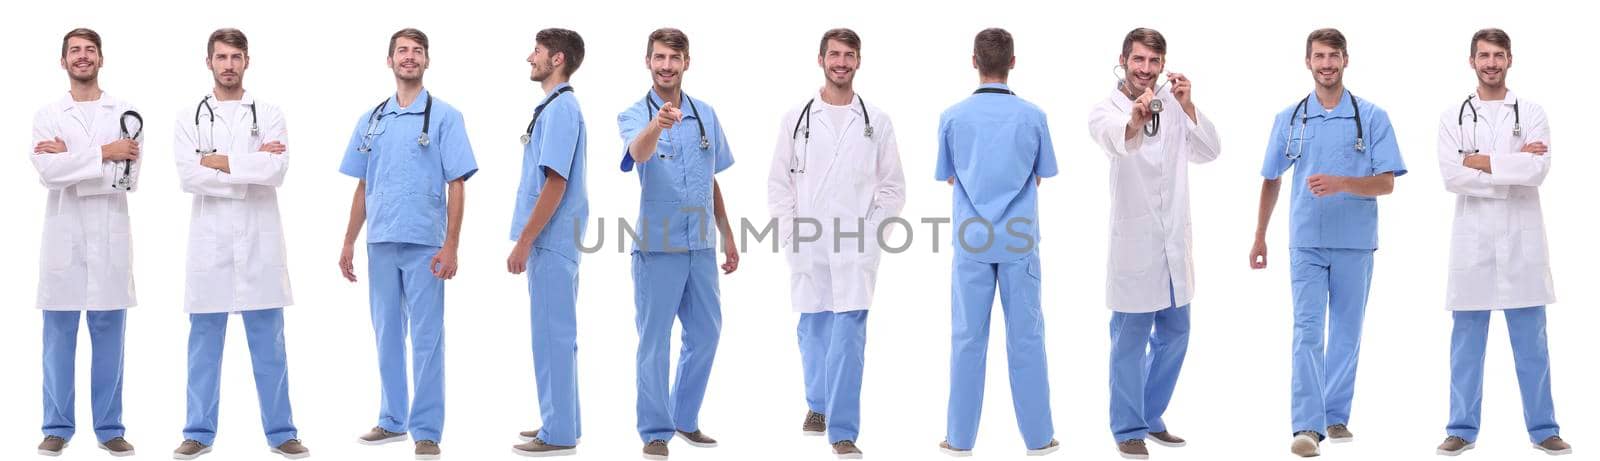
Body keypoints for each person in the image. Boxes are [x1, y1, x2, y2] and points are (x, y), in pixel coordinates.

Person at [1249, 28, 1405, 458]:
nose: (1326, 64)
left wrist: (1341, 183)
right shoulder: (1291, 118)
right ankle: (1306, 426)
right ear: (1308, 62)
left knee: (1347, 334)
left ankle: (1335, 414)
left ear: (1345, 60)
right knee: (1307, 332)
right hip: (1306, 243)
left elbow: (1387, 183)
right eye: (1319, 56)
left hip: (1355, 242)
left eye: (1333, 56)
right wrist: (1260, 235)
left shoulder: (1371, 116)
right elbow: (1270, 178)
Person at [337, 27, 477, 461]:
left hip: (424, 245)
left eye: (417, 51)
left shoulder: (445, 116)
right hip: (380, 241)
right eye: (402, 51)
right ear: (390, 60)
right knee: (386, 335)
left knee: (428, 338)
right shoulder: (373, 118)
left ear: (427, 61)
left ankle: (427, 429)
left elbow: (457, 183)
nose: (409, 57)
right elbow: (363, 185)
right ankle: (392, 419)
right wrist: (347, 242)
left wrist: (451, 245)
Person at [767, 27, 905, 460]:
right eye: (834, 55)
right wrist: (789, 232)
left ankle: (842, 431)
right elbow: (777, 183)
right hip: (808, 240)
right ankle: (818, 404)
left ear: (859, 61)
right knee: (813, 332)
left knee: (848, 339)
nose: (841, 62)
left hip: (855, 246)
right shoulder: (797, 117)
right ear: (821, 59)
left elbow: (893, 188)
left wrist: (870, 231)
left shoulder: (876, 121)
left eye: (848, 55)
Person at [169, 27, 308, 460]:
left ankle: (282, 432)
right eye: (221, 57)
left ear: (247, 61)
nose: (228, 65)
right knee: (203, 350)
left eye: (236, 57)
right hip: (209, 249)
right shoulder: (189, 115)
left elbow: (276, 171)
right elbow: (189, 176)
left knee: (270, 347)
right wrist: (248, 168)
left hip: (259, 248)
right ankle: (198, 432)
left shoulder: (268, 113)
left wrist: (220, 163)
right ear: (208, 62)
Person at [1432, 27, 1570, 457]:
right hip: (1472, 246)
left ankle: (1544, 428)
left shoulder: (1531, 111)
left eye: (1498, 55)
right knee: (1466, 350)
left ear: (1510, 60)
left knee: (1533, 346)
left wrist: (1481, 164)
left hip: (1521, 248)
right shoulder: (1453, 115)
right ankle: (1461, 428)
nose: (1491, 62)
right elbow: (1452, 176)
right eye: (1483, 55)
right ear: (1471, 61)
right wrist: (1510, 167)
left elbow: (1537, 171)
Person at [1086, 27, 1219, 460]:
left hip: (1173, 245)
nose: (1146, 70)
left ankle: (1149, 412)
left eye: (1154, 62)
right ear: (1123, 60)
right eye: (1139, 60)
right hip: (1135, 249)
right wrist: (1135, 121)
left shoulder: (1176, 106)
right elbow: (1116, 140)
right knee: (1129, 341)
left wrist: (1188, 105)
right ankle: (1127, 428)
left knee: (1178, 332)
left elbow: (1210, 151)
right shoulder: (1105, 110)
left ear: (1164, 64)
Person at [617, 27, 739, 461]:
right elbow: (638, 153)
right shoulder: (635, 114)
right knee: (654, 342)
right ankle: (654, 430)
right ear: (647, 62)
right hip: (659, 247)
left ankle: (684, 418)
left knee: (706, 333)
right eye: (659, 58)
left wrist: (727, 236)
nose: (666, 65)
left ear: (687, 62)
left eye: (674, 57)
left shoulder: (705, 114)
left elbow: (711, 178)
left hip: (702, 246)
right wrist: (657, 123)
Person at [936, 27, 1059, 458]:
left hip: (971, 241)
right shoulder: (1033, 116)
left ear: (974, 61)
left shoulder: (952, 116)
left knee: (967, 339)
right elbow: (1041, 175)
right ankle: (1040, 438)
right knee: (1026, 337)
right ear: (1012, 62)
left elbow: (949, 175)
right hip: (1018, 241)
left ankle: (959, 439)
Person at [31, 27, 141, 458]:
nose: (82, 56)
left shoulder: (126, 111)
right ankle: (56, 427)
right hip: (63, 240)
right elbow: (47, 174)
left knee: (110, 340)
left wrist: (71, 156)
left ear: (101, 59)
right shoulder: (47, 114)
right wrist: (103, 152)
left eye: (89, 50)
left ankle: (110, 428)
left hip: (110, 240)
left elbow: (126, 180)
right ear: (63, 61)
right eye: (74, 51)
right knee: (58, 340)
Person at [507, 27, 588, 458]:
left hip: (550, 240)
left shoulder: (560, 110)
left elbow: (555, 183)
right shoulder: (556, 108)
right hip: (557, 241)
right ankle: (564, 421)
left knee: (552, 335)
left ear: (557, 59)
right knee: (559, 334)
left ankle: (557, 433)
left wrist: (523, 243)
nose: (529, 58)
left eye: (536, 51)